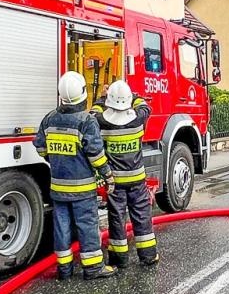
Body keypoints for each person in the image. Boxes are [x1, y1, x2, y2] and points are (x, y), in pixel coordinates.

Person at [35, 71, 116, 281]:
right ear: (82, 93)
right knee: (87, 226)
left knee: (61, 228)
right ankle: (93, 268)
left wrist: (56, 160)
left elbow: (41, 148)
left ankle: (65, 270)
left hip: (59, 189)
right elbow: (96, 155)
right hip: (82, 190)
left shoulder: (49, 119)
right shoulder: (86, 121)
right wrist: (107, 175)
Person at [94, 79, 158, 268]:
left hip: (115, 182)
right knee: (142, 217)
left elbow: (93, 111)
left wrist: (103, 97)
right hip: (137, 181)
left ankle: (119, 259)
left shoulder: (102, 121)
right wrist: (133, 95)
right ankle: (148, 256)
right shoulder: (139, 118)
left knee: (116, 218)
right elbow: (145, 106)